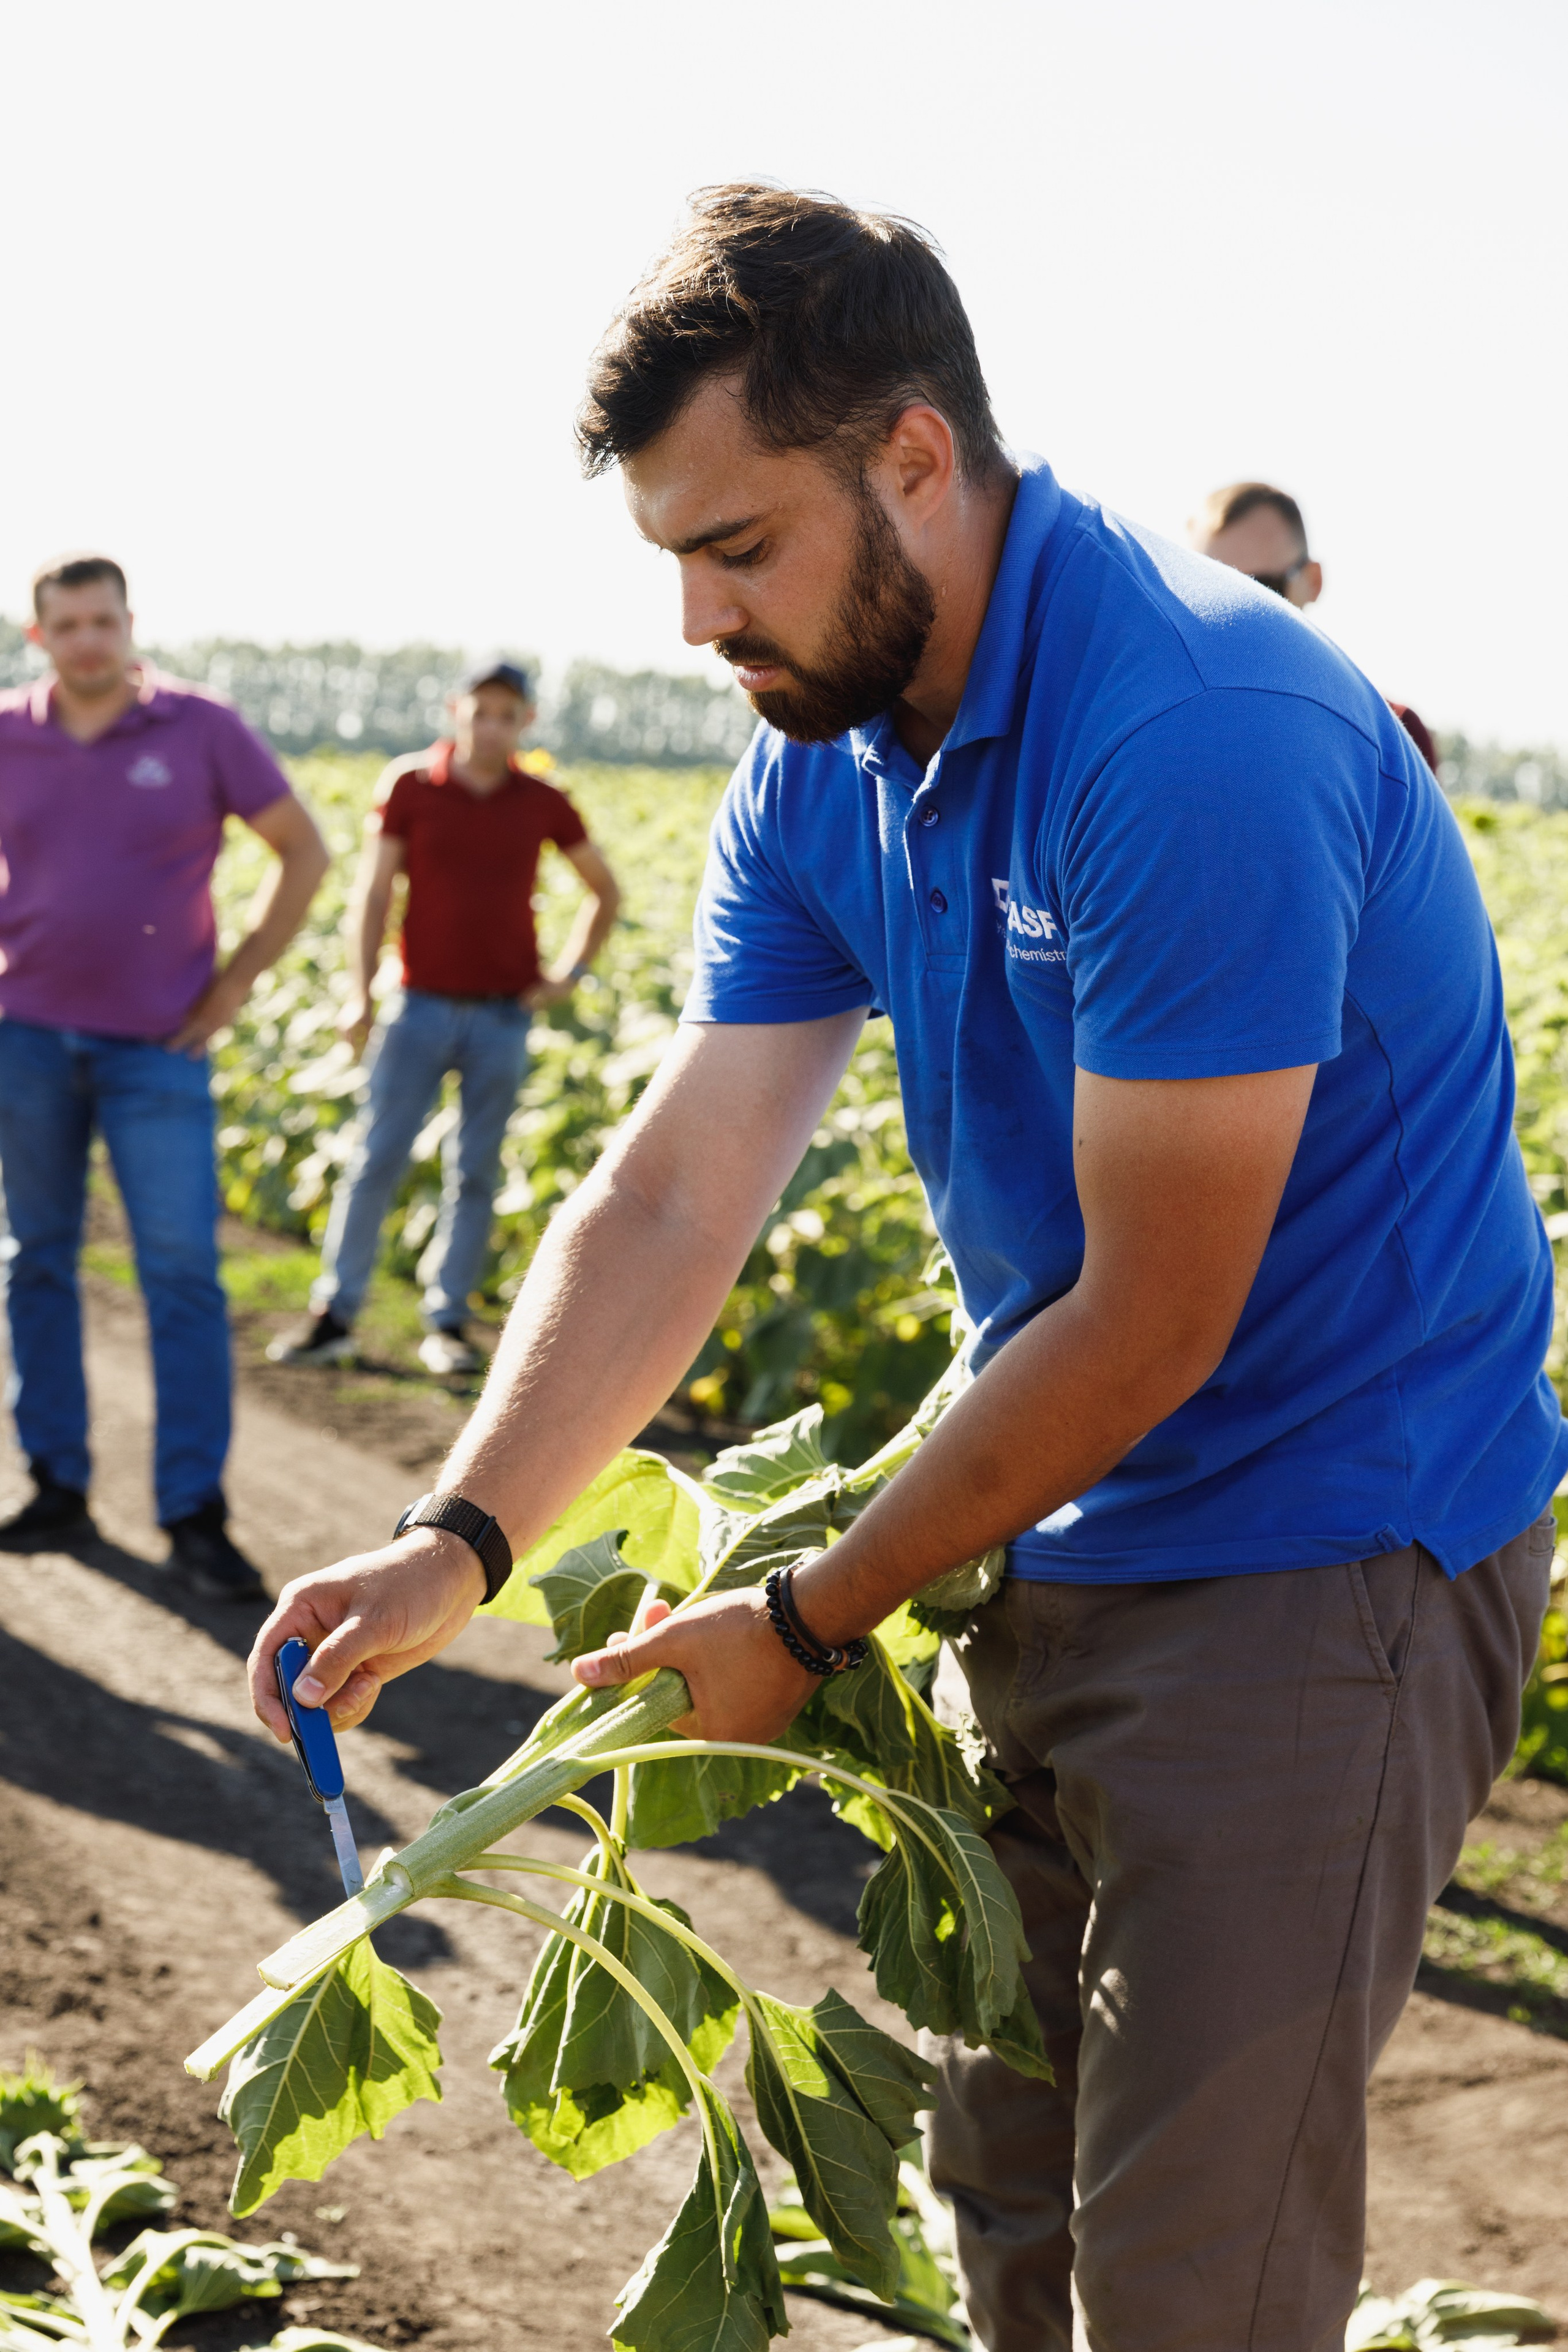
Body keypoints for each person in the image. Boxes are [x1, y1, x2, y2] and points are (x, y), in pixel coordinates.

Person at [247, 187, 1563, 2351]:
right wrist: (455, 1542)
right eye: (671, 552)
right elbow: (682, 1189)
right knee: (1006, 2196)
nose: (693, 617)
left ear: (920, 462)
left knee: (1190, 2279)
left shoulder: (1195, 733)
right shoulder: (821, 748)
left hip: (1329, 1550)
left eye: (738, 546)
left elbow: (1157, 1319)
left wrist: (802, 1613)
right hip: (1046, 1514)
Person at [0, 554, 328, 1596]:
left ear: (129, 626)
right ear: (39, 635)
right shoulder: (8, 732)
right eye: (69, 624)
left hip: (159, 1050)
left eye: (105, 621)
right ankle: (56, 1484)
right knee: (37, 1259)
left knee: (182, 1273)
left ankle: (195, 1514)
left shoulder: (201, 729)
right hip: (28, 1037)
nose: (89, 639)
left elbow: (303, 851)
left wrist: (233, 987)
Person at [270, 663, 620, 1377]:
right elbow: (373, 895)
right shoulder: (410, 787)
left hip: (502, 1017)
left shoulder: (543, 800)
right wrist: (359, 993)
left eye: (506, 713)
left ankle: (448, 1322)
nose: (490, 725)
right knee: (375, 1160)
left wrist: (566, 976)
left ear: (525, 722)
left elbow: (603, 892)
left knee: (476, 1172)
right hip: (416, 1006)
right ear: (455, 710)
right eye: (479, 710)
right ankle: (335, 1312)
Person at [1191, 479, 1440, 767]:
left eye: (1261, 588)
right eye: (1206, 590)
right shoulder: (1154, 731)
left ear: (1314, 582)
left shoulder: (1393, 737)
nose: (1233, 616)